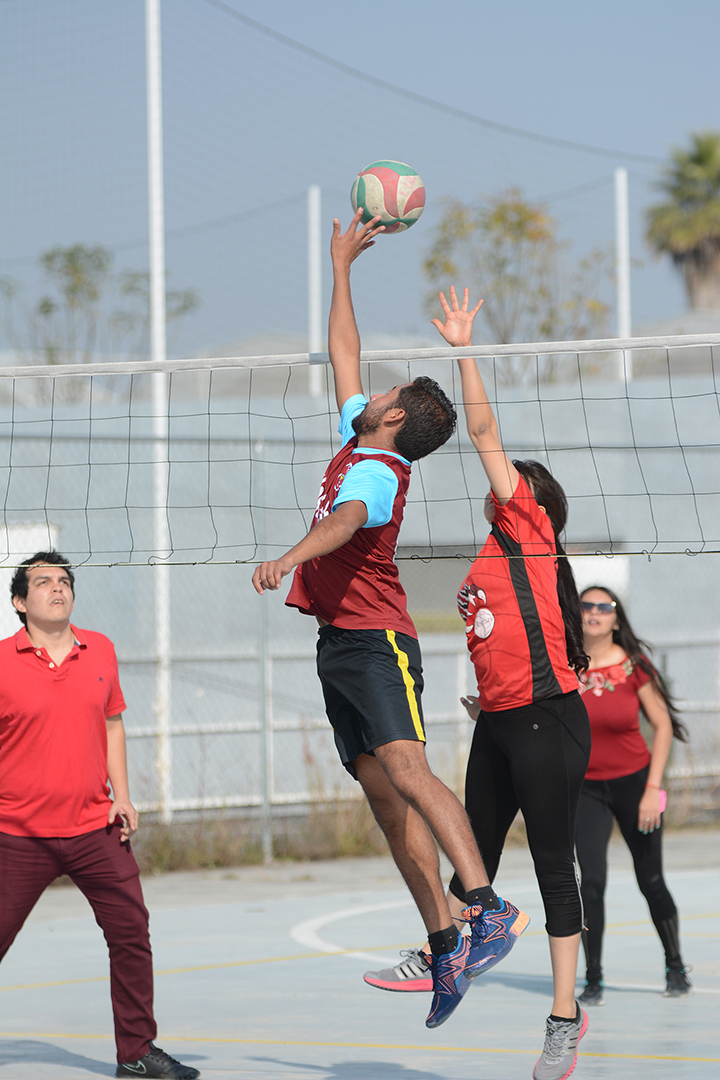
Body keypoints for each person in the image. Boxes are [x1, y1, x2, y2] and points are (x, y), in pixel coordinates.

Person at [252, 212, 528, 1030]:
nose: (372, 390)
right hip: (338, 644)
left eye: (387, 393)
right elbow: (345, 351)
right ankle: (443, 944)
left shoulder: (375, 472)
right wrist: (341, 268)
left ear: (398, 419)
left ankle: (485, 907)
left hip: (379, 644)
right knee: (381, 795)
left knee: (408, 769)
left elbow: (341, 525)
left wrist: (290, 555)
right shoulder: (358, 434)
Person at [365, 286, 592, 1080]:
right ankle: (444, 949)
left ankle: (564, 1020)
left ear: (533, 501)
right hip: (502, 721)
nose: (496, 482)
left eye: (510, 480)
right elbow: (506, 637)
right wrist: (486, 696)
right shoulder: (491, 557)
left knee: (555, 872)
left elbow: (487, 431)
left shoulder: (526, 522)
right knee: (475, 862)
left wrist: (463, 347)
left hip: (550, 722)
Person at [0, 551, 199, 1080]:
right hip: (17, 834)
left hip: (95, 828)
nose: (57, 589)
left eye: (64, 581)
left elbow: (113, 724)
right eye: (42, 582)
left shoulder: (101, 650)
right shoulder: (0, 661)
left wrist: (124, 795)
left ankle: (136, 1051)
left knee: (132, 931)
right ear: (20, 602)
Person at [575, 585, 691, 1005]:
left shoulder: (634, 666)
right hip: (585, 789)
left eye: (603, 607)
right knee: (591, 884)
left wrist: (652, 790)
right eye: (586, 605)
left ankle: (675, 965)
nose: (593, 612)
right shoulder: (565, 666)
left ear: (616, 619)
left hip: (636, 785)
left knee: (650, 879)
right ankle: (593, 977)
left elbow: (662, 726)